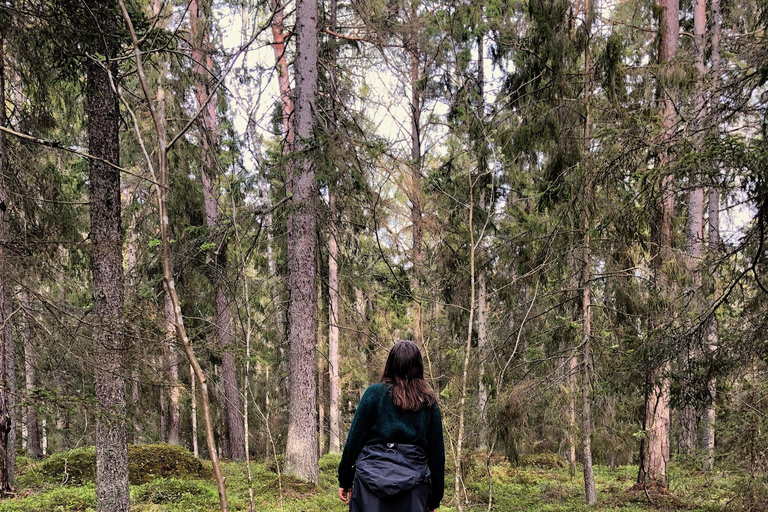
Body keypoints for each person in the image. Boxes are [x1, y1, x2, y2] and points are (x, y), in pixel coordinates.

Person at [338, 340, 445, 512]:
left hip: (368, 486)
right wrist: (435, 498)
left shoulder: (374, 394)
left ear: (391, 364)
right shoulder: (428, 401)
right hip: (414, 488)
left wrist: (345, 478)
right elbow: (436, 454)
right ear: (418, 367)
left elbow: (354, 441)